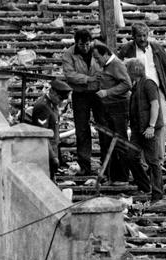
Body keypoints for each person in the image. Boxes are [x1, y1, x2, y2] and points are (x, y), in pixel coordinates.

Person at [118, 22, 166, 167]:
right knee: (139, 125)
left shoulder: (157, 48)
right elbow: (120, 68)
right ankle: (143, 162)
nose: (142, 39)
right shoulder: (126, 50)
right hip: (137, 90)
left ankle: (158, 160)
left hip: (156, 89)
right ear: (133, 36)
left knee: (159, 124)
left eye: (144, 35)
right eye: (139, 36)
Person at [62, 28, 104, 176]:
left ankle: (107, 164)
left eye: (87, 44)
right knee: (82, 129)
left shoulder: (98, 49)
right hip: (80, 94)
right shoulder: (69, 54)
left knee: (103, 126)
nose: (85, 48)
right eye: (81, 45)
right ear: (76, 43)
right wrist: (88, 79)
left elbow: (107, 64)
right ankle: (84, 164)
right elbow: (69, 74)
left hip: (99, 93)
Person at [92, 42, 132, 185]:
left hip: (119, 108)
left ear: (106, 54)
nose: (97, 61)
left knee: (120, 141)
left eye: (98, 58)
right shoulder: (107, 66)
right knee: (109, 141)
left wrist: (107, 92)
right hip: (109, 108)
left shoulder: (117, 64)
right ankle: (113, 176)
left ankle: (122, 177)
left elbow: (127, 84)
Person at [125, 58, 163, 202]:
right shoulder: (136, 86)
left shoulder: (148, 84)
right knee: (131, 156)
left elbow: (155, 105)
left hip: (148, 130)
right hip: (137, 129)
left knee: (153, 161)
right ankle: (145, 186)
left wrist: (151, 126)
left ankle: (157, 193)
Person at [28, 79, 72, 180]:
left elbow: (54, 132)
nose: (61, 102)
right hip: (45, 153)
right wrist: (53, 157)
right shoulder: (43, 106)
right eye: (60, 98)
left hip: (51, 150)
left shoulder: (52, 105)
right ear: (52, 92)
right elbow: (42, 135)